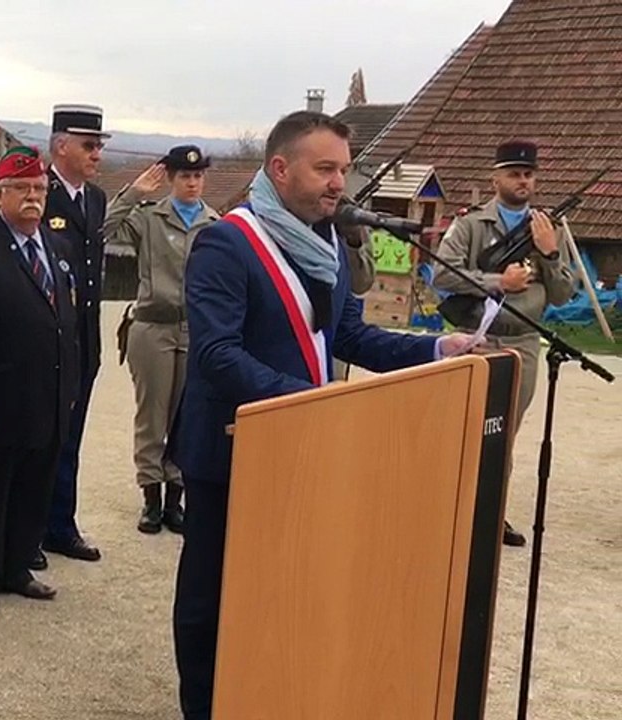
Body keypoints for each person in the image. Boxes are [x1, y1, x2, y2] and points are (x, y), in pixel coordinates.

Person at [166, 110, 472, 720]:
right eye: (325, 168)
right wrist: (309, 404)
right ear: (280, 169)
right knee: (213, 594)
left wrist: (438, 349)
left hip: (305, 440)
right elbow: (218, 354)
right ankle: (203, 705)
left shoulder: (326, 238)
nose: (340, 182)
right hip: (233, 450)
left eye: (344, 169)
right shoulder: (227, 241)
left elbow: (350, 337)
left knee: (289, 585)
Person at [433, 139, 575, 548]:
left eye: (529, 174)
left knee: (502, 432)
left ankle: (491, 515)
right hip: (476, 337)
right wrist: (499, 282)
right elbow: (443, 275)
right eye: (514, 173)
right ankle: (452, 508)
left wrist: (549, 254)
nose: (523, 181)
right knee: (465, 426)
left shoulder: (550, 229)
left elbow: (565, 294)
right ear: (495, 177)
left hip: (523, 343)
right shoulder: (472, 224)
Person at [0, 146, 79, 613]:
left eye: (39, 190)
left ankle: (17, 566)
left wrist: (68, 386)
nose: (33, 198)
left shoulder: (56, 245)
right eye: (22, 189)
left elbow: (63, 319)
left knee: (35, 482)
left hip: (47, 389)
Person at [103, 145, 219, 534]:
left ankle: (175, 498)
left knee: (186, 417)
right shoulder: (150, 218)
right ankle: (150, 499)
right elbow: (103, 228)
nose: (192, 182)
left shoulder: (215, 224)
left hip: (194, 329)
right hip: (152, 326)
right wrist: (134, 193)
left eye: (198, 176)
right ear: (170, 178)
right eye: (185, 176)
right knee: (152, 416)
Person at [37, 103, 109, 568]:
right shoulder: (38, 191)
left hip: (85, 337)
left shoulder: (95, 199)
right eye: (88, 145)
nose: (96, 154)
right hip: (47, 338)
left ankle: (60, 525)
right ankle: (29, 529)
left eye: (99, 145)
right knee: (41, 437)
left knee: (71, 437)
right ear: (61, 145)